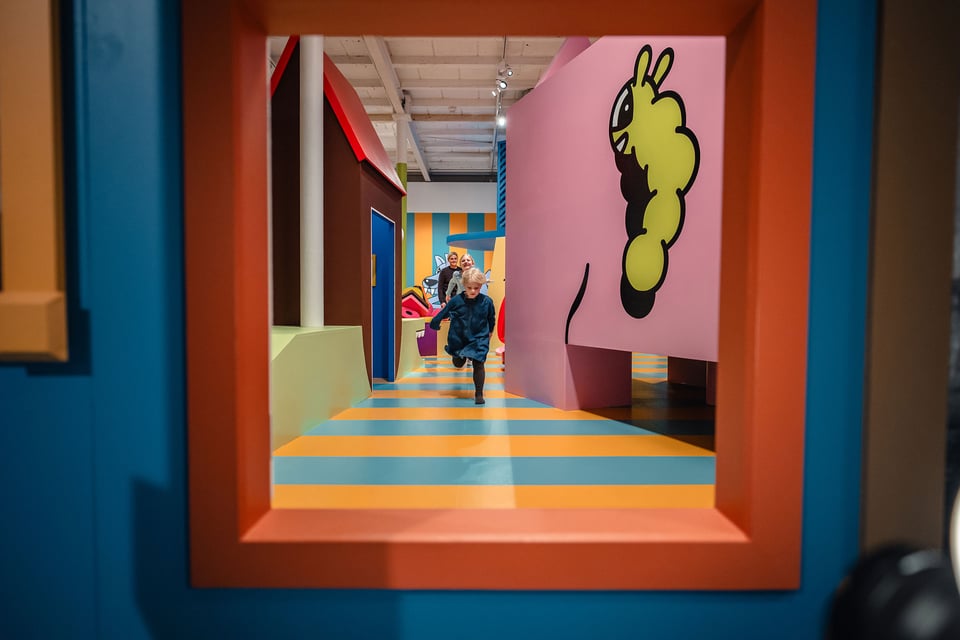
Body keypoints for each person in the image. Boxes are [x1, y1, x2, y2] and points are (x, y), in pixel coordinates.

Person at [429, 267, 496, 404]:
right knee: (458, 363)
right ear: (464, 285)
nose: (473, 291)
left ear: (481, 286)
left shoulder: (487, 302)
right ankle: (459, 356)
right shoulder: (456, 301)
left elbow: (491, 318)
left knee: (479, 362)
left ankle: (479, 394)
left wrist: (490, 331)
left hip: (479, 337)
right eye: (469, 287)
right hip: (459, 337)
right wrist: (435, 323)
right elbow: (443, 313)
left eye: (476, 288)